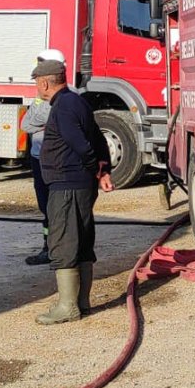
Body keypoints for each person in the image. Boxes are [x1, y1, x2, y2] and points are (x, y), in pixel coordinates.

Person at [32, 57, 115, 325]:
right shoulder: (76, 101)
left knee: (64, 241)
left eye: (36, 82)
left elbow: (80, 144)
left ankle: (68, 306)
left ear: (45, 82)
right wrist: (103, 170)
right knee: (81, 238)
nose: (36, 87)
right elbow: (98, 138)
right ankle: (82, 302)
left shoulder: (63, 107)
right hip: (79, 184)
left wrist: (95, 168)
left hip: (67, 184)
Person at [21, 49, 66, 266]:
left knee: (57, 207)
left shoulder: (66, 97)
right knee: (45, 206)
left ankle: (57, 249)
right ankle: (47, 247)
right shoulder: (40, 98)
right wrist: (41, 121)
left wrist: (41, 121)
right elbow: (26, 124)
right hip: (37, 157)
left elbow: (46, 118)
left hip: (55, 160)